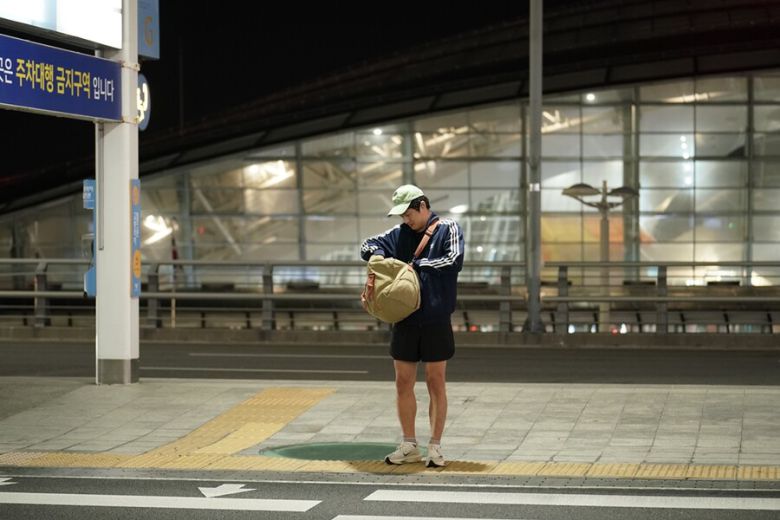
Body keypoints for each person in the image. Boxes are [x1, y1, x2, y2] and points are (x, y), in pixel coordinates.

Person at [360, 184, 464, 467]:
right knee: (403, 381)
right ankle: (409, 444)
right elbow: (367, 244)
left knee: (435, 381)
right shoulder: (399, 233)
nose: (406, 220)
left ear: (422, 206)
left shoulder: (448, 229)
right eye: (402, 216)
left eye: (408, 214)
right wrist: (376, 255)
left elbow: (454, 260)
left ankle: (435, 446)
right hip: (404, 318)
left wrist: (416, 266)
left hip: (436, 318)